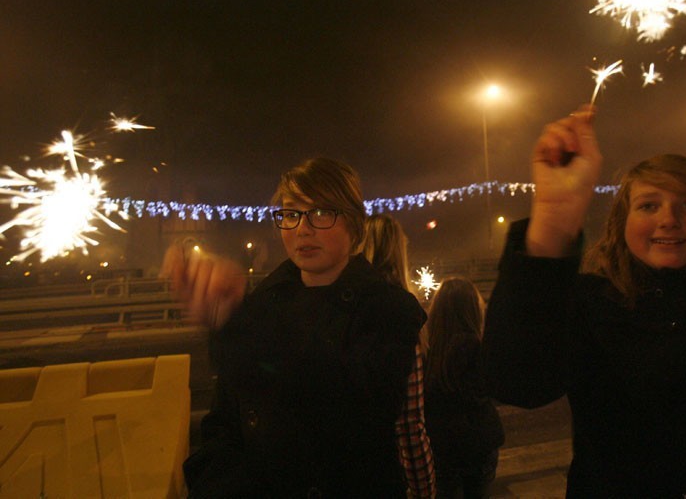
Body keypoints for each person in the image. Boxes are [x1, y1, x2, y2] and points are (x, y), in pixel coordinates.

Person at [482, 105, 686, 497]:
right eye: (649, 205)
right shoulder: (595, 306)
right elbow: (517, 383)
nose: (669, 219)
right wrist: (553, 218)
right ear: (622, 227)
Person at [165, 157, 425, 497]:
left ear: (354, 223)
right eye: (290, 214)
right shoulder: (262, 303)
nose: (302, 228)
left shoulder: (387, 309)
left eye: (320, 212)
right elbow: (225, 425)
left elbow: (349, 409)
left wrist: (241, 322)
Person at [362, 213, 436, 497]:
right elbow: (409, 423)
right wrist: (424, 488)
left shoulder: (339, 305)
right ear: (397, 251)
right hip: (383, 474)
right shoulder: (400, 313)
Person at [423, 277, 504, 498]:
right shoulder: (478, 349)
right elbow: (497, 390)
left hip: (440, 448)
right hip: (479, 446)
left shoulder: (426, 351)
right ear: (473, 311)